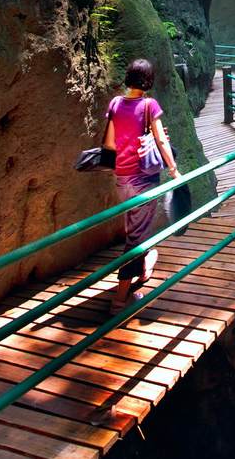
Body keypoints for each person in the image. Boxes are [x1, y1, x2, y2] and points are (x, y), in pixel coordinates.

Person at [103, 58, 179, 311]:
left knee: (135, 228)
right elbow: (161, 142)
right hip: (143, 179)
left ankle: (143, 267)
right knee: (136, 237)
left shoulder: (115, 103)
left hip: (121, 177)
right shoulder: (149, 105)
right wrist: (174, 170)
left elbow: (111, 144)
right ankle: (120, 299)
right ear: (148, 80)